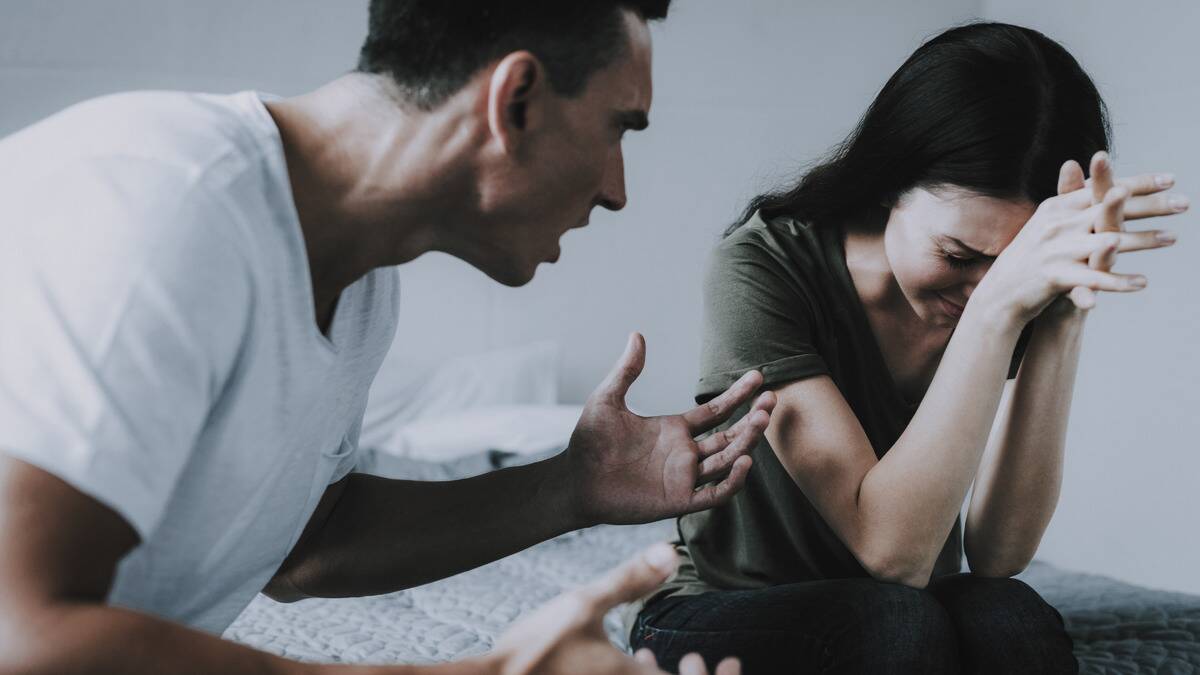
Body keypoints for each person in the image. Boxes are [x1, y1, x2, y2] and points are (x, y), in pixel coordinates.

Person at [0, 2, 774, 674]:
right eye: (618, 130)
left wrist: (574, 485)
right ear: (519, 100)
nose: (617, 189)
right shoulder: (169, 207)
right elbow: (21, 634)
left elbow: (303, 548)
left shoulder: (363, 286)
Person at [629, 21, 1188, 674]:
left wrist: (1062, 313)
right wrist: (997, 310)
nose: (983, 286)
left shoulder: (1013, 289)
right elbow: (891, 553)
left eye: (1011, 265)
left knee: (1009, 612)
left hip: (900, 606)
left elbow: (999, 550)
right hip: (727, 605)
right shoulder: (762, 268)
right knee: (895, 620)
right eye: (957, 254)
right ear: (889, 181)